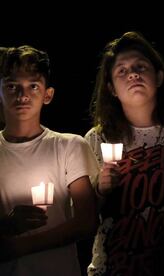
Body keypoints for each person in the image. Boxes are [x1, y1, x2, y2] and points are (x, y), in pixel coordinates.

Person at [84, 31, 164, 276]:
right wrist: (100, 188)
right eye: (121, 70)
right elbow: (82, 216)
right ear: (111, 88)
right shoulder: (97, 139)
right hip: (114, 265)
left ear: (159, 77)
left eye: (141, 66)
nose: (133, 74)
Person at [0, 45, 99, 275]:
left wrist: (17, 246)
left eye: (33, 86)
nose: (22, 95)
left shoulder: (69, 146)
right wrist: (6, 226)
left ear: (48, 95)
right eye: (12, 86)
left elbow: (86, 221)